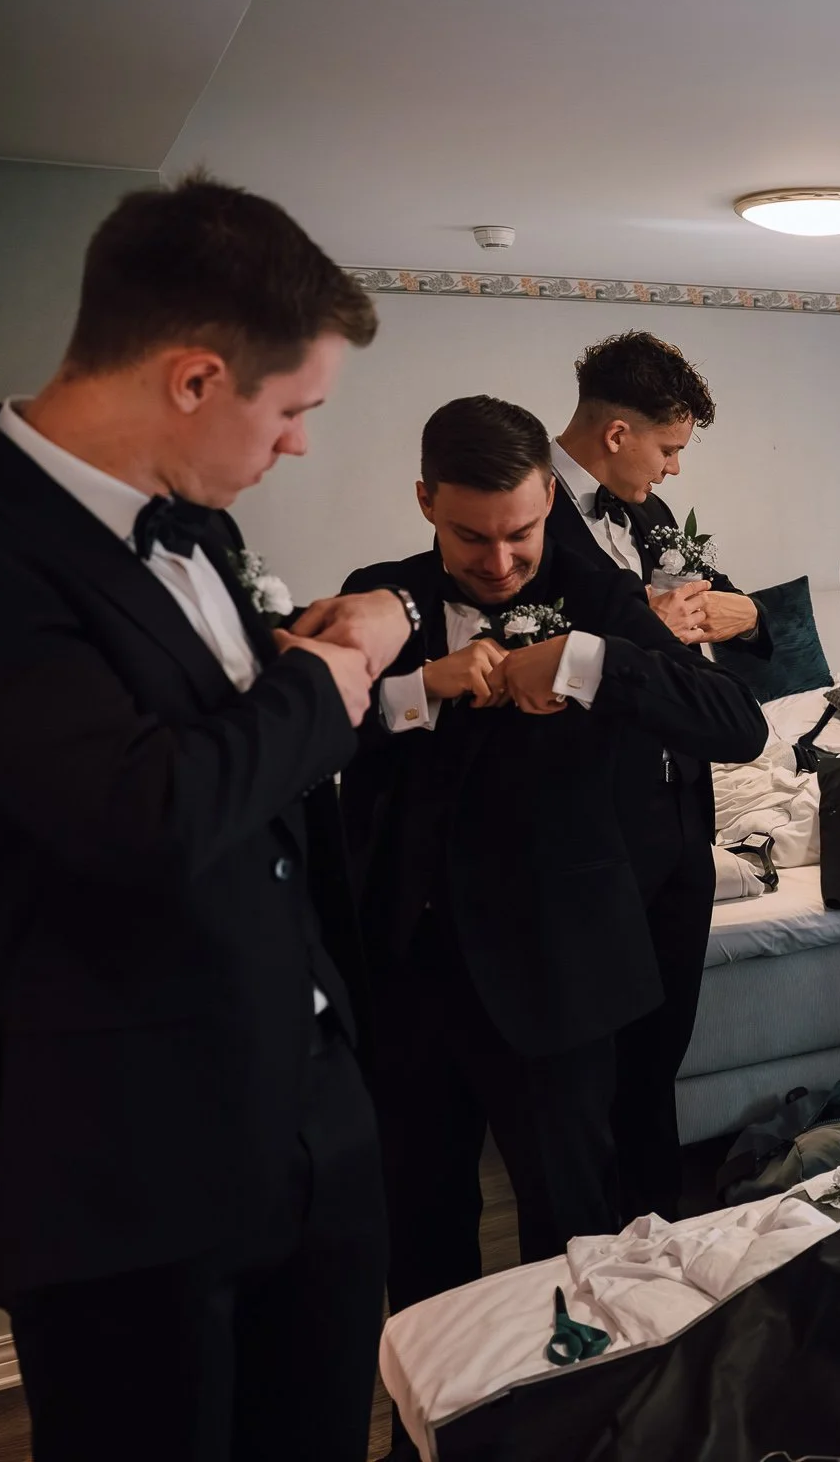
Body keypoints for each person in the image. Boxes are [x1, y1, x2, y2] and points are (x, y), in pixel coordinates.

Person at [0, 176, 411, 1461]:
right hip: (132, 1161)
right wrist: (324, 682)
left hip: (313, 1117)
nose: (298, 444)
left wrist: (308, 658)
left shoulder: (192, 524)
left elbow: (213, 750)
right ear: (194, 380)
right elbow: (142, 812)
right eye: (292, 410)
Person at [339, 396, 765, 1326]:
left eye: (521, 534)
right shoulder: (381, 597)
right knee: (418, 1224)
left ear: (545, 500)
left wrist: (586, 663)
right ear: (426, 501)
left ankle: (571, 1399)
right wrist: (421, 690)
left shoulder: (598, 600)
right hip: (407, 979)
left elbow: (737, 725)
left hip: (557, 974)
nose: (499, 563)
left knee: (573, 1235)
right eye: (471, 537)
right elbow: (308, 735)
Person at [544, 330, 771, 1219]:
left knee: (661, 1048)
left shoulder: (651, 514)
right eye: (669, 448)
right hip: (595, 821)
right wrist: (643, 620)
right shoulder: (528, 513)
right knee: (595, 1065)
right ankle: (594, 1242)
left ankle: (657, 1231)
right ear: (617, 434)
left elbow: (731, 606)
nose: (675, 469)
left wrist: (748, 614)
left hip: (683, 821)